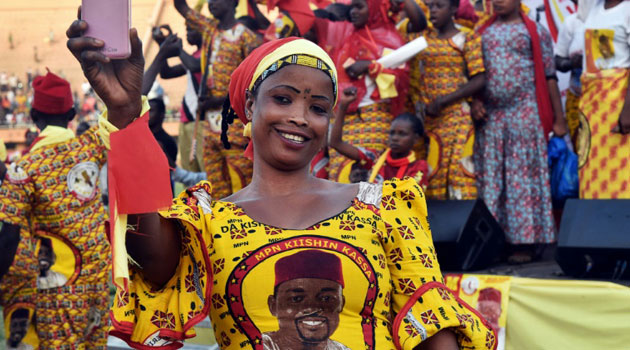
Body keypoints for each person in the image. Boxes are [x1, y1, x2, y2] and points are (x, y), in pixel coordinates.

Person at [67, 15, 496, 349]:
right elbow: (149, 257)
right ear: (250, 105)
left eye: (318, 107)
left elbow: (433, 326)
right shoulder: (208, 218)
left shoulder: (384, 204)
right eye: (284, 98)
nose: (299, 118)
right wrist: (125, 114)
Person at [0, 70, 110, 349]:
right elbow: (127, 104)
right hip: (98, 283)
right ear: (72, 113)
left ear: (34, 118)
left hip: (58, 290)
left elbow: (9, 238)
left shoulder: (24, 169)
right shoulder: (91, 146)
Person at [473, 0, 568, 263]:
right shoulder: (482, 32)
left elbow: (549, 76)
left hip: (524, 113)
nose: (498, 2)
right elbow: (472, 74)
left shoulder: (535, 31)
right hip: (492, 117)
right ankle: (495, 241)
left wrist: (559, 119)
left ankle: (524, 242)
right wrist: (476, 101)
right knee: (492, 182)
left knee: (522, 181)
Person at [325, 0, 427, 182]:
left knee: (370, 179)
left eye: (360, 7)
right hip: (344, 118)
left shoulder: (391, 37)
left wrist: (370, 67)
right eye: (352, 7)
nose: (353, 12)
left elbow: (400, 79)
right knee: (339, 177)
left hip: (375, 119)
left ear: (374, 8)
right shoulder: (345, 35)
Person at [174, 0, 262, 199]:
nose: (211, 3)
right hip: (209, 127)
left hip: (235, 125)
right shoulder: (209, 30)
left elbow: (254, 86)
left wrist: (219, 101)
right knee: (216, 189)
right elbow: (181, 7)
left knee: (241, 184)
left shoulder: (247, 37)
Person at [404, 0, 485, 200]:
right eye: (430, 6)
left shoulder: (467, 36)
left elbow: (480, 78)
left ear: (453, 9)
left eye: (439, 6)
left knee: (460, 173)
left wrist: (444, 101)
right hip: (427, 121)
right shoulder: (422, 39)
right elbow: (415, 18)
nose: (433, 11)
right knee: (432, 176)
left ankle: (464, 226)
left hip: (457, 117)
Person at [578, 0, 630, 198]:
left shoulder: (627, 10)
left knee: (621, 169)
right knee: (591, 168)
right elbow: (607, 53)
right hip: (592, 107)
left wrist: (627, 110)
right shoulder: (593, 8)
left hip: (618, 104)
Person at [330, 87, 429, 186]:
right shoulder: (375, 157)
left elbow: (408, 198)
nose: (394, 138)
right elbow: (336, 143)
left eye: (402, 134)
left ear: (415, 139)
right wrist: (343, 106)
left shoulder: (418, 167)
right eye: (392, 133)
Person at [263, 250, 350, 350]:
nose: (312, 308)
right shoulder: (256, 345)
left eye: (326, 298)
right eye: (296, 299)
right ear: (273, 306)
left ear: (341, 304)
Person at [157, 24, 206, 172]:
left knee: (207, 171)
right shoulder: (194, 55)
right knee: (190, 171)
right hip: (187, 120)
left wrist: (178, 48)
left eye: (191, 30)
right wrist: (162, 46)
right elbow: (166, 73)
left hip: (201, 120)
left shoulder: (210, 53)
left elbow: (195, 66)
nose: (187, 34)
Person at [554, 0, 584, 146]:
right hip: (577, 101)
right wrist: (572, 63)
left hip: (611, 99)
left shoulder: (617, 17)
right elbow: (558, 60)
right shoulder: (572, 23)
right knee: (582, 151)